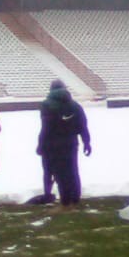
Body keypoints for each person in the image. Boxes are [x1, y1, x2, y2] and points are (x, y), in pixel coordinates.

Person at [37, 79, 91, 209]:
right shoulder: (75, 105)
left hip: (53, 144)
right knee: (72, 170)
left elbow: (46, 128)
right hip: (71, 143)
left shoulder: (46, 105)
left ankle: (65, 201)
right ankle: (75, 198)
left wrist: (41, 145)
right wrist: (86, 142)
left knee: (59, 173)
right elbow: (83, 126)